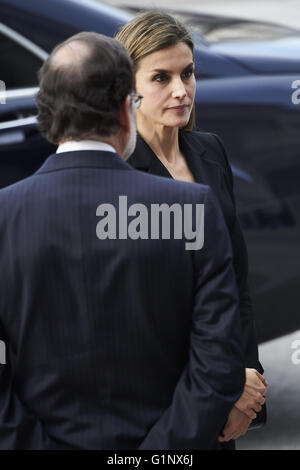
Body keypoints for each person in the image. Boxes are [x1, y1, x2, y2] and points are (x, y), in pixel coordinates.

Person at [0, 32, 245, 450]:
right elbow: (218, 365)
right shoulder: (191, 208)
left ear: (48, 113)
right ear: (125, 110)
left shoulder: (5, 216)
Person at [116, 12, 268, 447]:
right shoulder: (117, 175)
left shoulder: (210, 151)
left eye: (188, 73)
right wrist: (222, 382)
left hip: (228, 396)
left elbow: (236, 280)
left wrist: (247, 383)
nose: (181, 91)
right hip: (164, 410)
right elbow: (137, 315)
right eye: (161, 78)